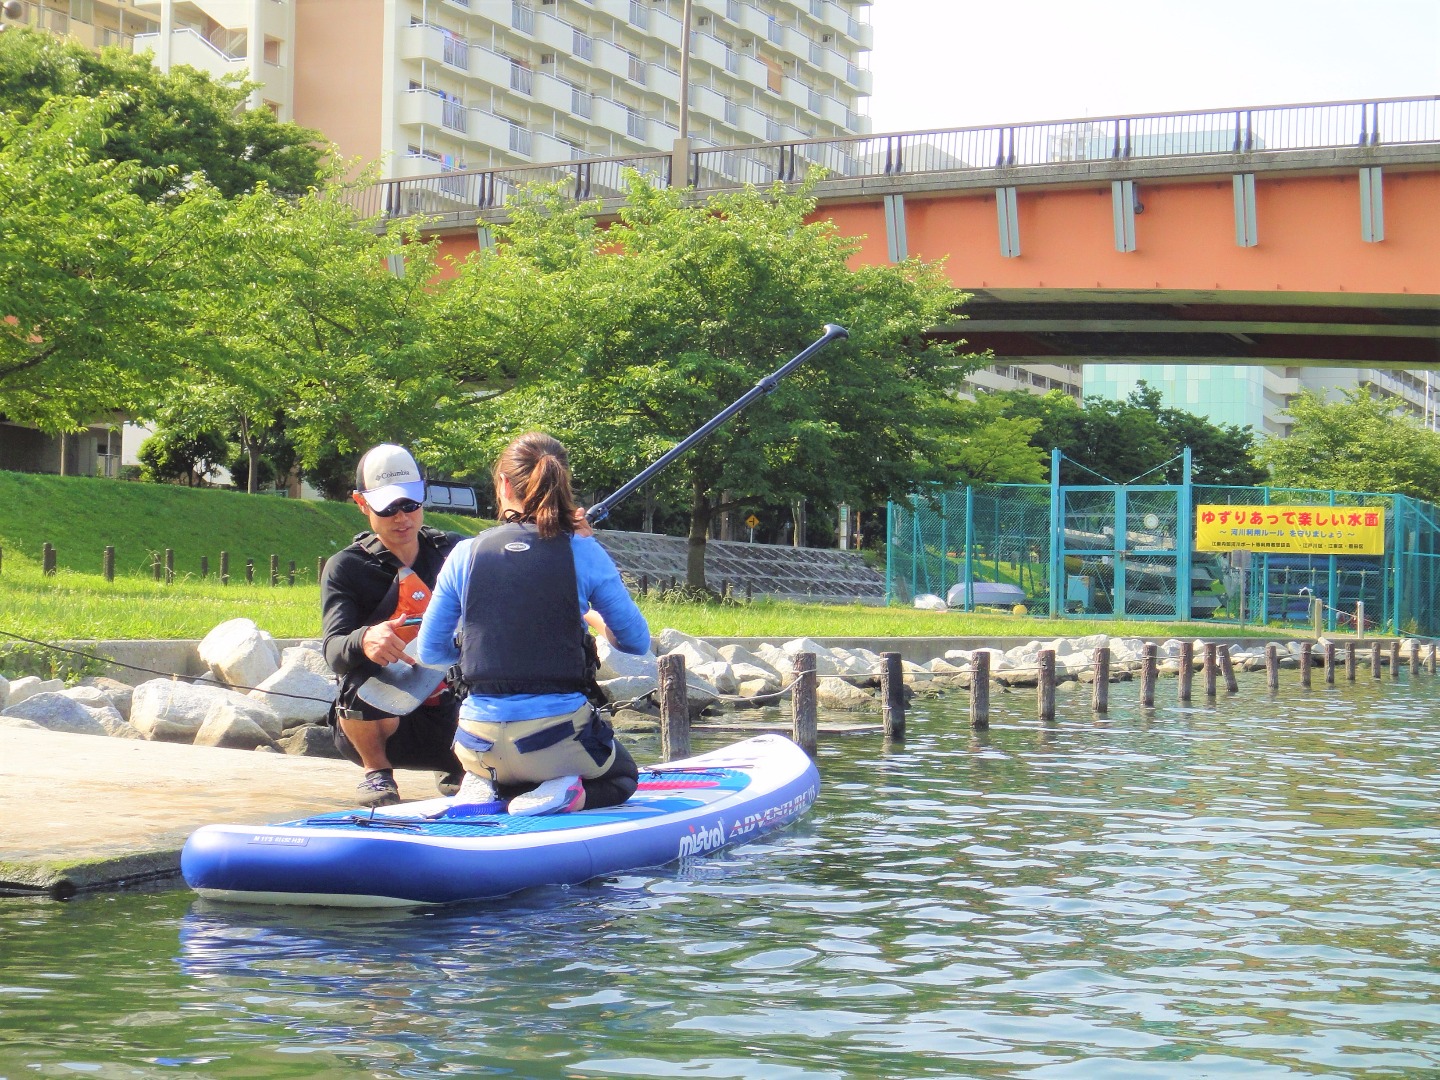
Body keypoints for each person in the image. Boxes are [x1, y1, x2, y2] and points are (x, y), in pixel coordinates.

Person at [417, 432, 650, 816]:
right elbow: (635, 642)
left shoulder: (463, 554)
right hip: (555, 741)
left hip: (477, 742)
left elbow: (430, 652)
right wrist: (586, 616)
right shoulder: (583, 550)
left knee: (486, 757)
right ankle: (563, 791)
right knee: (623, 777)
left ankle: (486, 785)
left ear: (504, 484)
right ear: (562, 483)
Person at [321, 443, 463, 807]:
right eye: (388, 507)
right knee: (354, 682)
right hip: (388, 723)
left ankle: (464, 767)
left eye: (410, 504)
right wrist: (365, 640)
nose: (402, 518)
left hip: (455, 712)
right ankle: (377, 773)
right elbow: (334, 651)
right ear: (361, 503)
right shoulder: (345, 568)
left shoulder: (456, 552)